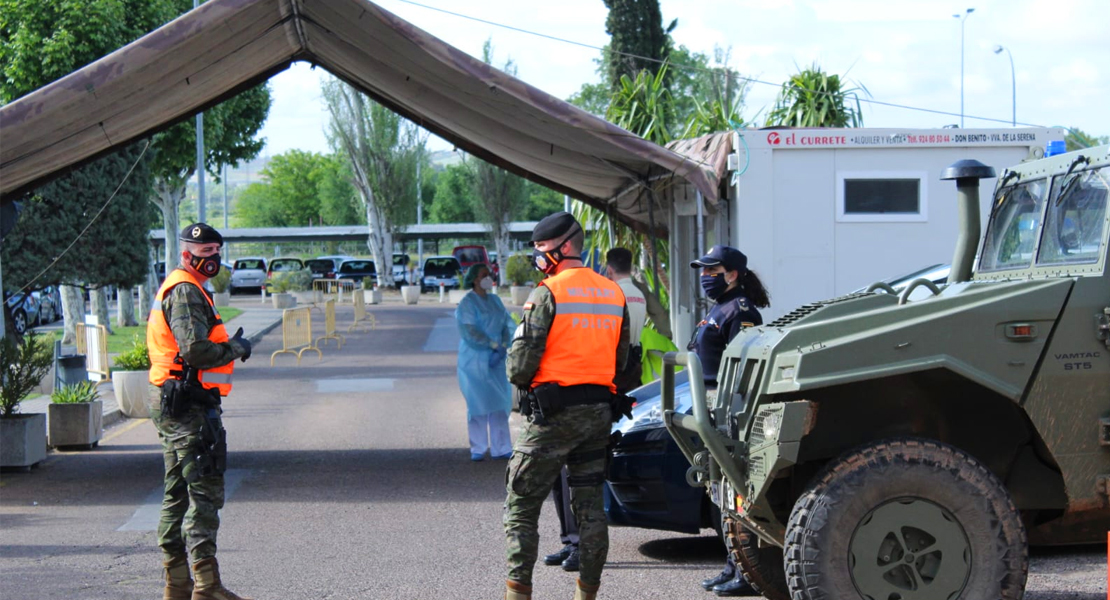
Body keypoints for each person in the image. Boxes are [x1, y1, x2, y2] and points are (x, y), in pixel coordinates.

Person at [503, 212, 631, 600]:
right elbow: (621, 360)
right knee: (590, 507)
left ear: (564, 246)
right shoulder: (613, 292)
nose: (538, 256)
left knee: (521, 503)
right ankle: (586, 595)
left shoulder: (548, 292)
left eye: (542, 249)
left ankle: (517, 594)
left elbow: (520, 365)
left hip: (552, 415)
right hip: (597, 415)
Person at [147, 223, 253, 600]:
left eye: (216, 252)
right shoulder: (186, 291)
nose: (212, 260)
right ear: (186, 253)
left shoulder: (186, 287)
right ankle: (206, 588)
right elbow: (194, 350)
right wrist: (236, 348)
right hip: (187, 404)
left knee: (176, 491)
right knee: (204, 492)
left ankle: (178, 584)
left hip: (178, 400)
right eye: (205, 252)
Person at [542, 247, 647, 573]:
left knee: (581, 474)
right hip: (620, 380)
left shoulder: (606, 293)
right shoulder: (639, 295)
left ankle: (581, 545)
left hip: (594, 387)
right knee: (576, 473)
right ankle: (573, 541)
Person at [690, 245, 770, 597]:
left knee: (736, 491)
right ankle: (732, 564)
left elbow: (743, 369)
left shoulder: (741, 311)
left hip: (727, 408)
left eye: (712, 270)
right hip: (709, 405)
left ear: (732, 273)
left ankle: (745, 570)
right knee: (722, 492)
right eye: (704, 270)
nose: (706, 276)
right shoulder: (719, 308)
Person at [455, 263, 515, 461]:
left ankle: (502, 446)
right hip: (474, 359)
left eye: (489, 274)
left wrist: (504, 344)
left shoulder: (495, 300)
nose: (488, 278)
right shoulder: (467, 303)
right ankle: (478, 447)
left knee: (499, 402)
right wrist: (491, 345)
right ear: (474, 279)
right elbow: (469, 330)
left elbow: (506, 323)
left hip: (497, 359)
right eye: (483, 275)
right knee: (477, 404)